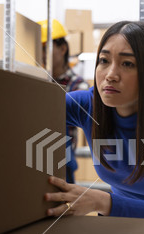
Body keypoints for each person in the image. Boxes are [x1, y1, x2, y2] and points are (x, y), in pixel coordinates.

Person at [44, 21, 144, 220]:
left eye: (127, 64)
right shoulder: (88, 105)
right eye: (104, 60)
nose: (110, 75)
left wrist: (101, 201)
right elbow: (28, 115)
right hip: (116, 224)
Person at [39, 19, 89, 183]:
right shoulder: (36, 81)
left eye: (46, 49)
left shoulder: (78, 84)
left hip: (62, 160)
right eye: (39, 50)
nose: (42, 55)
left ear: (62, 48)